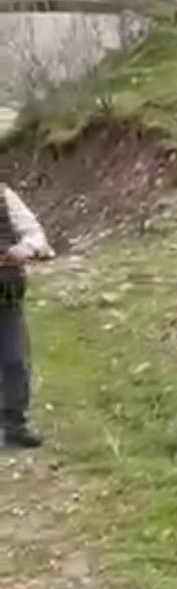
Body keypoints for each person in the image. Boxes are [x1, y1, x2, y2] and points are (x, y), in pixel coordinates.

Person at [0, 183, 53, 448]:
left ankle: (14, 427)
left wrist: (26, 248)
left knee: (15, 361)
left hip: (6, 295)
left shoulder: (3, 196)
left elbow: (34, 234)